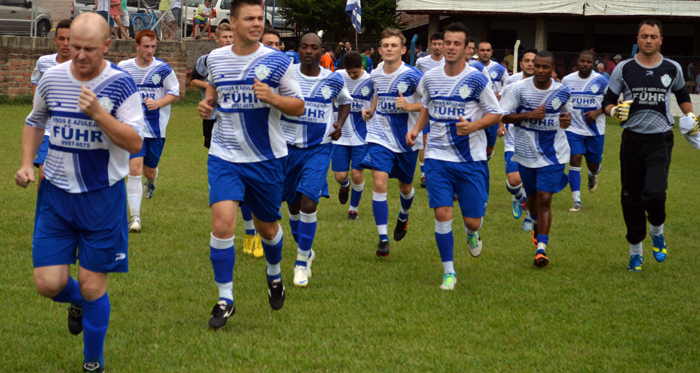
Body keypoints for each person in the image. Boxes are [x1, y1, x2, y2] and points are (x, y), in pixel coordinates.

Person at [15, 13, 144, 373]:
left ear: (107, 46)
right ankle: (84, 304)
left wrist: (100, 114)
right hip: (55, 194)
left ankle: (93, 362)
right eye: (74, 47)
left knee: (91, 285)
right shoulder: (53, 77)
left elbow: (134, 141)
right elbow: (34, 121)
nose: (81, 55)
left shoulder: (121, 85)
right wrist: (27, 162)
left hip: (102, 196)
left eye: (89, 48)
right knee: (48, 284)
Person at [197, 0, 304, 328]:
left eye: (261, 18)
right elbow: (213, 89)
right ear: (233, 21)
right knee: (222, 225)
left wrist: (272, 98)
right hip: (224, 155)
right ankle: (225, 298)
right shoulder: (216, 58)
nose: (257, 23)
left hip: (266, 158)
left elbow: (298, 106)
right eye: (250, 18)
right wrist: (208, 104)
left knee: (267, 228)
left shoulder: (277, 61)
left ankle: (274, 274)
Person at [406, 22, 502, 290]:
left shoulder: (477, 78)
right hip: (437, 157)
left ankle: (472, 232)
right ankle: (449, 271)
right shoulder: (429, 77)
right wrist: (415, 130)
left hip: (471, 159)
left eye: (456, 43)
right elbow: (426, 108)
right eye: (447, 42)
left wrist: (473, 126)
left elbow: (496, 114)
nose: (450, 47)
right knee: (442, 213)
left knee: (472, 218)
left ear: (466, 48)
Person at [603, 19, 695, 272]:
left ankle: (657, 232)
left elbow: (683, 97)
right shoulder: (623, 68)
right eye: (644, 36)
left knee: (654, 194)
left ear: (660, 40)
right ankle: (635, 253)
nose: (648, 40)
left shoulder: (672, 67)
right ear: (638, 39)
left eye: (653, 36)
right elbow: (608, 101)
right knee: (630, 199)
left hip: (660, 139)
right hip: (631, 139)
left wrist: (690, 116)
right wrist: (614, 112)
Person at [280, 33, 352, 287]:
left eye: (315, 47)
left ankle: (301, 262)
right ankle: (306, 249)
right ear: (298, 49)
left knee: (309, 204)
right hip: (287, 148)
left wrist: (339, 123)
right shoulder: (286, 76)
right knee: (292, 206)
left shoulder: (332, 79)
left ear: (322, 51)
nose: (309, 51)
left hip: (319, 148)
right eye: (304, 47)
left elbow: (345, 103)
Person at [192, 24, 263, 258]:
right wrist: (211, 92)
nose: (228, 40)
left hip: (252, 131)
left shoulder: (255, 59)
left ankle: (256, 233)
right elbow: (195, 80)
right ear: (216, 38)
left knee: (253, 188)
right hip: (216, 120)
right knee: (220, 160)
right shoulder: (210, 59)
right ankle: (224, 190)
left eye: (231, 36)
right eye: (224, 37)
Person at [501, 50, 572, 268]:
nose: (540, 70)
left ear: (552, 69)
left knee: (544, 199)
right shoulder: (518, 89)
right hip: (526, 152)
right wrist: (528, 115)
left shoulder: (562, 91)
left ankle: (541, 249)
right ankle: (533, 222)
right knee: (531, 198)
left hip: (554, 154)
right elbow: (502, 116)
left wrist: (566, 120)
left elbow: (565, 115)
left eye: (545, 67)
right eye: (536, 65)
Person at [360, 28, 423, 257]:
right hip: (379, 136)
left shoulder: (414, 75)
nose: (389, 49)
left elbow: (429, 104)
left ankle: (404, 214)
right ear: (379, 50)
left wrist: (409, 107)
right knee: (379, 183)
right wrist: (369, 112)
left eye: (394, 45)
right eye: (385, 45)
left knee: (405, 187)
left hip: (407, 139)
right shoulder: (374, 75)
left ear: (403, 50)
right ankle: (383, 238)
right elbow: (375, 97)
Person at [117, 29, 179, 233]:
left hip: (156, 129)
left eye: (153, 46)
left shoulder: (163, 69)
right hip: (133, 129)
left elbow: (174, 93)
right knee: (134, 170)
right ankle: (135, 218)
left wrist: (158, 103)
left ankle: (151, 180)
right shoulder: (124, 68)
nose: (150, 50)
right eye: (146, 46)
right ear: (137, 46)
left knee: (148, 170)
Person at [561, 50, 609, 212]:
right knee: (574, 158)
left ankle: (592, 174)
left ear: (593, 63)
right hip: (573, 129)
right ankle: (577, 201)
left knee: (594, 165)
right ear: (577, 62)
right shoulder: (567, 80)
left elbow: (611, 102)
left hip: (595, 131)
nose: (585, 64)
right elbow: (562, 100)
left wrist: (597, 112)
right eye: (582, 61)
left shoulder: (601, 81)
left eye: (588, 62)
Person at [332, 51, 374, 220]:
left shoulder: (370, 81)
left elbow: (375, 106)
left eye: (355, 72)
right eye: (349, 72)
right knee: (340, 176)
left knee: (357, 174)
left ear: (361, 67)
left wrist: (369, 113)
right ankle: (344, 185)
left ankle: (353, 209)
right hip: (340, 133)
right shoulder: (337, 77)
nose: (352, 75)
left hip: (361, 134)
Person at [31, 19, 72, 189]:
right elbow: (36, 85)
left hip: (73, 131)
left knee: (69, 178)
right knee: (43, 175)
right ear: (54, 40)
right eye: (61, 39)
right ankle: (44, 212)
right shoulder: (43, 63)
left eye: (70, 39)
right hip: (47, 129)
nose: (66, 43)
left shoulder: (83, 66)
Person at [500, 48, 537, 231]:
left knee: (533, 185)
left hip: (537, 143)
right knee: (514, 181)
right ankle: (517, 196)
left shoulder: (547, 85)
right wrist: (500, 125)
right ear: (520, 64)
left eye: (533, 61)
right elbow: (501, 108)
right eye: (527, 60)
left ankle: (530, 217)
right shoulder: (510, 83)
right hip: (513, 141)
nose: (530, 64)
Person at [415, 32, 444, 188]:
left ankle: (441, 172)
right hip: (426, 106)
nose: (438, 47)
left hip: (443, 107)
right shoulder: (421, 62)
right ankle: (424, 174)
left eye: (440, 44)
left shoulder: (450, 61)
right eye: (435, 44)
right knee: (424, 141)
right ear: (431, 45)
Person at [477, 40, 509, 161]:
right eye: (482, 50)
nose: (485, 53)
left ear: (491, 52)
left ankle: (484, 161)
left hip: (493, 113)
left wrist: (499, 95)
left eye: (487, 50)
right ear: (477, 52)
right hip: (476, 112)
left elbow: (508, 86)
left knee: (489, 149)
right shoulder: (471, 67)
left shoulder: (499, 69)